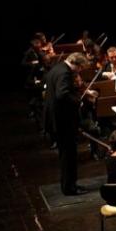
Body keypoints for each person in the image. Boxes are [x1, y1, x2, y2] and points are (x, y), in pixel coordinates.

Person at [44, 52, 92, 194]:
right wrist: (78, 101)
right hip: (63, 121)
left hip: (57, 118)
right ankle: (69, 188)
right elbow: (62, 94)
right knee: (68, 155)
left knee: (67, 154)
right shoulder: (65, 73)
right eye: (80, 68)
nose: (79, 72)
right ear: (76, 64)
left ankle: (71, 184)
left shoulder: (57, 67)